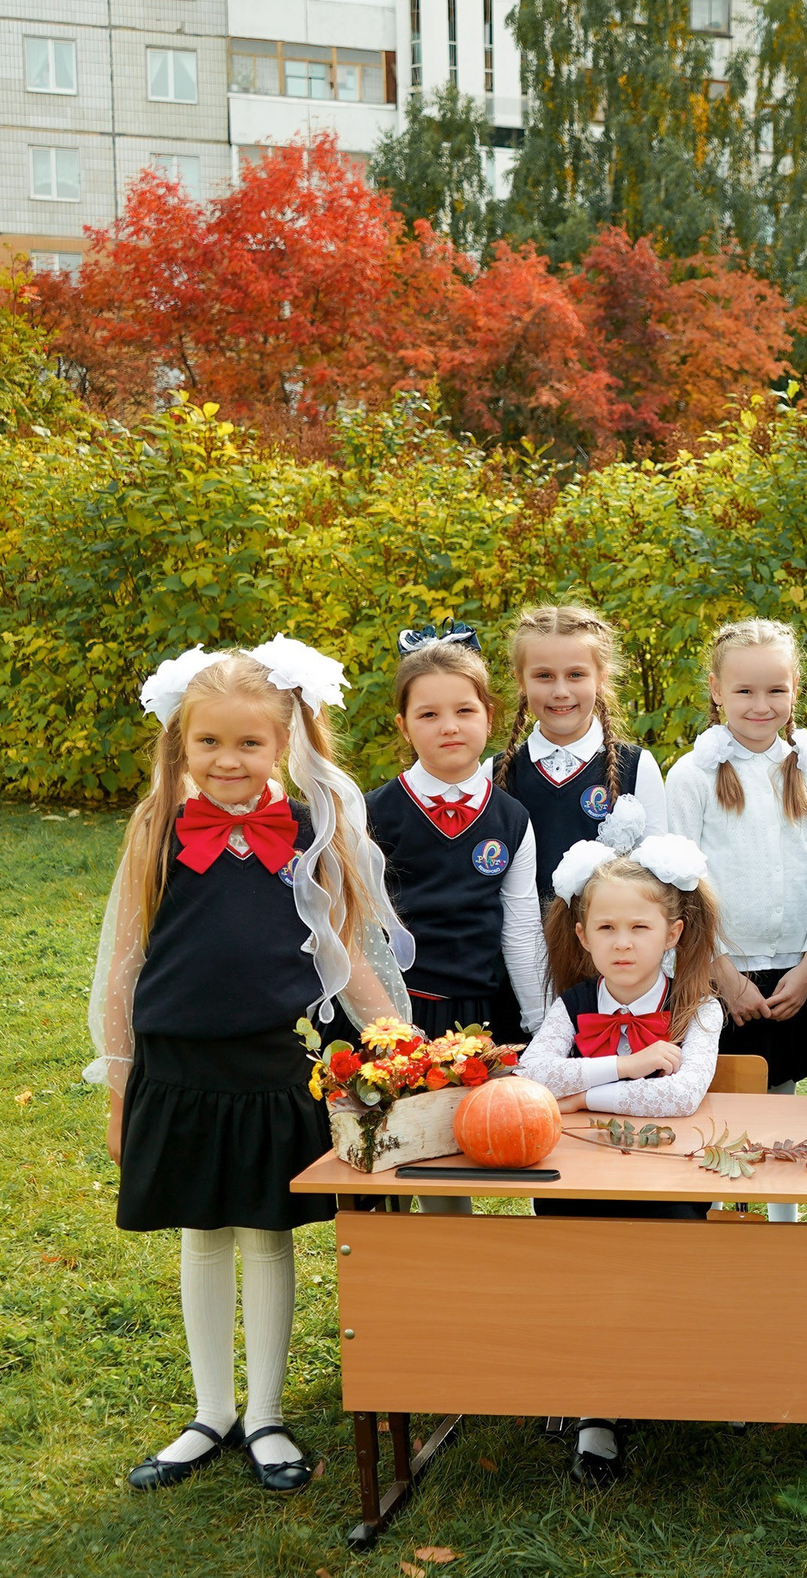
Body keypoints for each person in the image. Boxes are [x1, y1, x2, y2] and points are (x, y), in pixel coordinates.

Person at [89, 640, 408, 1498]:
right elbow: (124, 963)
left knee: (266, 1232)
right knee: (201, 1230)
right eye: (209, 742)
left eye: (249, 743)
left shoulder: (310, 831)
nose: (227, 760)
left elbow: (344, 952)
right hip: (178, 1067)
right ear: (181, 742)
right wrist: (119, 1086)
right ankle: (211, 1411)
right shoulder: (156, 827)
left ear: (285, 743)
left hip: (272, 1064)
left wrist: (397, 1040)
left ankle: (265, 1413)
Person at [516, 808, 726, 1485]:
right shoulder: (572, 1003)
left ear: (672, 932)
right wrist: (626, 1067)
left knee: (657, 1266)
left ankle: (665, 1376)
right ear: (582, 935)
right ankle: (597, 1406)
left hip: (669, 1178)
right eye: (606, 928)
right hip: (581, 1177)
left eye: (640, 927)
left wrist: (583, 1095)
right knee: (587, 1271)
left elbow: (682, 1095)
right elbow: (532, 1073)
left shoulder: (698, 1006)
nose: (623, 942)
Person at [665, 619, 807, 1095]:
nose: (761, 706)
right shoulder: (692, 775)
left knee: (780, 1098)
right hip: (716, 976)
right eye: (744, 691)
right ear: (717, 690)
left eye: (775, 690)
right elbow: (679, 886)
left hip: (792, 977)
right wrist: (721, 971)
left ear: (795, 688)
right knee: (720, 1101)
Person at [364, 627, 546, 1047]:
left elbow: (521, 931)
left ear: (489, 716)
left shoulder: (512, 818)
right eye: (428, 715)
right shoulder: (371, 813)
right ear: (404, 727)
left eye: (465, 711)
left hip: (481, 1017)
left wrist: (543, 1028)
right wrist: (387, 1030)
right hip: (393, 1015)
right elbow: (360, 932)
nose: (449, 727)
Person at [494, 604, 667, 912]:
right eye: (544, 676)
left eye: (575, 675)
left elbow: (656, 885)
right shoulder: (495, 773)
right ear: (521, 680)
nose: (561, 691)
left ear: (600, 678)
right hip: (520, 940)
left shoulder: (637, 766)